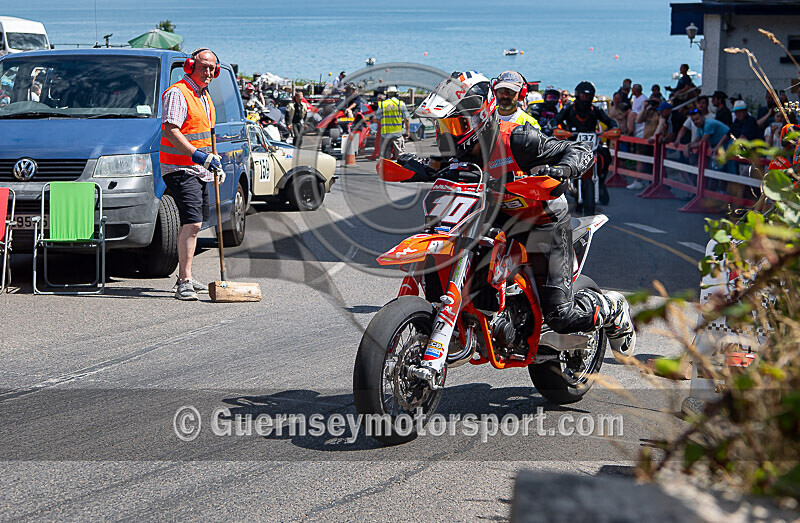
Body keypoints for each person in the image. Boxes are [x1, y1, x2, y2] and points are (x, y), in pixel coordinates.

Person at [413, 71, 636, 354]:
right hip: (494, 220)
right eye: (443, 127)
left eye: (455, 126)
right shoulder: (458, 150)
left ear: (480, 116)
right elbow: (434, 168)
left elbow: (579, 150)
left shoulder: (517, 139)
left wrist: (561, 170)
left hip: (543, 224)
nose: (448, 134)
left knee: (560, 314)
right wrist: (409, 166)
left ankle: (612, 307)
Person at [160, 48, 224, 300]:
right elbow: (170, 130)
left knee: (196, 224)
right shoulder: (178, 93)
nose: (208, 72)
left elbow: (205, 134)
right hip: (180, 167)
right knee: (193, 222)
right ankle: (183, 281)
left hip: (200, 169)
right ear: (190, 66)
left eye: (212, 68)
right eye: (203, 66)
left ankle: (186, 275)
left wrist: (213, 162)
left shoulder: (204, 96)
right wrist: (198, 155)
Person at [554, 81, 618, 203]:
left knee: (605, 154)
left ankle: (601, 181)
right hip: (572, 144)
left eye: (588, 96)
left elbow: (610, 121)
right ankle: (559, 185)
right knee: (558, 158)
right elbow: (555, 120)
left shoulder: (595, 110)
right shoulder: (569, 109)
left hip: (592, 145)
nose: (586, 98)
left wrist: (613, 129)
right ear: (578, 95)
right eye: (584, 95)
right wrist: (556, 129)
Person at [376, 85, 409, 159]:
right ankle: (398, 170)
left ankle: (387, 170)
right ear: (396, 94)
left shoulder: (382, 104)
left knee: (386, 157)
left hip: (385, 135)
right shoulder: (401, 104)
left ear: (387, 94)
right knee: (400, 157)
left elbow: (377, 119)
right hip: (397, 134)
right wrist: (407, 132)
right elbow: (406, 119)